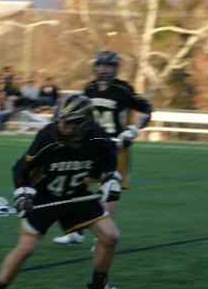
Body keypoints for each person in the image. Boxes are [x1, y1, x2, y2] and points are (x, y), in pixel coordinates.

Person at [0, 94, 132, 289]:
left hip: (75, 195)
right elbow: (21, 169)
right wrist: (23, 194)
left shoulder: (97, 137)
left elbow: (109, 161)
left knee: (111, 236)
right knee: (26, 248)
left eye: (69, 123)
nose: (62, 127)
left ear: (84, 124)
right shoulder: (48, 136)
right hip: (44, 196)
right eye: (60, 121)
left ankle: (98, 288)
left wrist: (109, 180)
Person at [53, 50, 152, 245]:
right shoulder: (89, 88)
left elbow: (147, 110)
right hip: (92, 145)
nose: (104, 70)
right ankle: (76, 231)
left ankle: (104, 238)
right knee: (76, 185)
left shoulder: (122, 89)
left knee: (109, 191)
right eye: (101, 65)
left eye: (108, 66)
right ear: (95, 67)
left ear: (115, 68)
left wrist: (133, 129)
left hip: (116, 147)